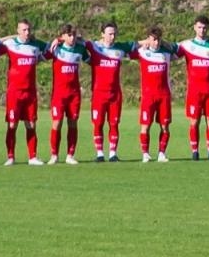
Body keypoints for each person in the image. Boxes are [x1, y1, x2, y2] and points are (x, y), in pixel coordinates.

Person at [0, 21, 46, 166]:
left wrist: (60, 39)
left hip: (30, 92)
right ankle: (10, 157)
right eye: (24, 30)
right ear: (18, 30)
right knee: (12, 125)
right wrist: (12, 36)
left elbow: (52, 47)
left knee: (31, 124)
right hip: (14, 92)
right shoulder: (10, 44)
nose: (27, 32)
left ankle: (32, 157)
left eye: (29, 29)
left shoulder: (36, 45)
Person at [178, 16, 209, 162]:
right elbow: (171, 53)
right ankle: (195, 152)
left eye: (205, 27)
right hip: (194, 91)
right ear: (194, 27)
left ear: (208, 28)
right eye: (199, 27)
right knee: (194, 121)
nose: (202, 30)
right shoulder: (187, 45)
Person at [129, 27, 179, 162]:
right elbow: (127, 49)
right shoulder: (142, 52)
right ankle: (145, 153)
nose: (156, 43)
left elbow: (178, 49)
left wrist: (165, 43)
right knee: (146, 125)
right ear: (149, 39)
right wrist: (141, 43)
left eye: (158, 40)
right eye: (154, 39)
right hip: (148, 96)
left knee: (165, 126)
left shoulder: (166, 52)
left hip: (164, 95)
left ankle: (162, 153)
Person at [84, 24, 131, 162]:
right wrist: (59, 39)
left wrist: (147, 41)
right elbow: (75, 40)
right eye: (110, 33)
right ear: (102, 34)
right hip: (99, 94)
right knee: (98, 123)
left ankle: (112, 153)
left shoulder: (120, 48)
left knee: (114, 123)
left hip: (115, 94)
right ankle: (99, 153)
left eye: (114, 33)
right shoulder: (94, 46)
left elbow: (136, 45)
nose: (113, 36)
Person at [45, 25, 89, 164]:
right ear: (63, 36)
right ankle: (54, 155)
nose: (72, 38)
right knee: (57, 123)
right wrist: (56, 40)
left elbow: (91, 60)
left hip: (74, 94)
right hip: (59, 94)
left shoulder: (80, 49)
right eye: (69, 35)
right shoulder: (56, 48)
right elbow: (42, 56)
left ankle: (70, 155)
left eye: (74, 35)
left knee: (73, 123)